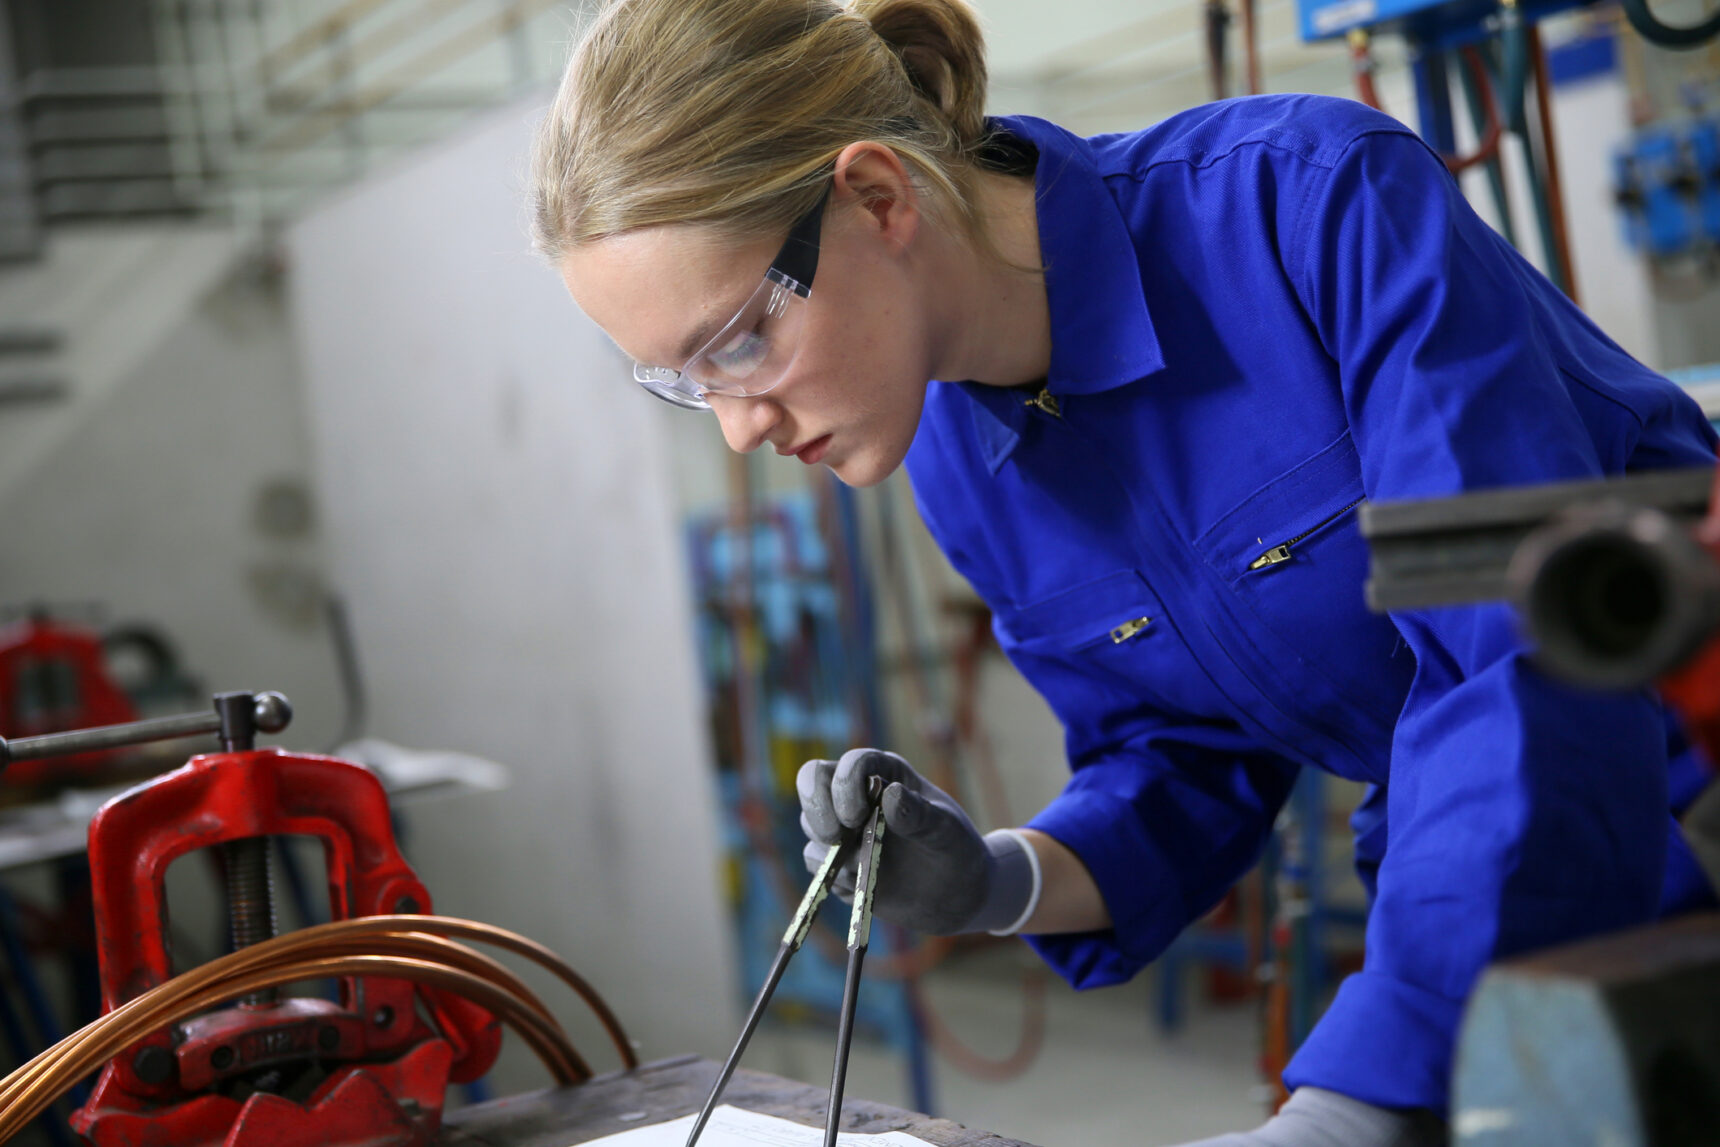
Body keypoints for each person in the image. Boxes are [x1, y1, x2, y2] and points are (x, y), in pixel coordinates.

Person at [530, 0, 1720, 1143]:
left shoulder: (1306, 208)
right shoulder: (956, 458)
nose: (737, 428)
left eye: (738, 341)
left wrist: (1362, 1096)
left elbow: (1518, 667)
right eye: (686, 384)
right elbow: (1180, 757)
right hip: (1509, 907)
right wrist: (996, 880)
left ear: (876, 196)